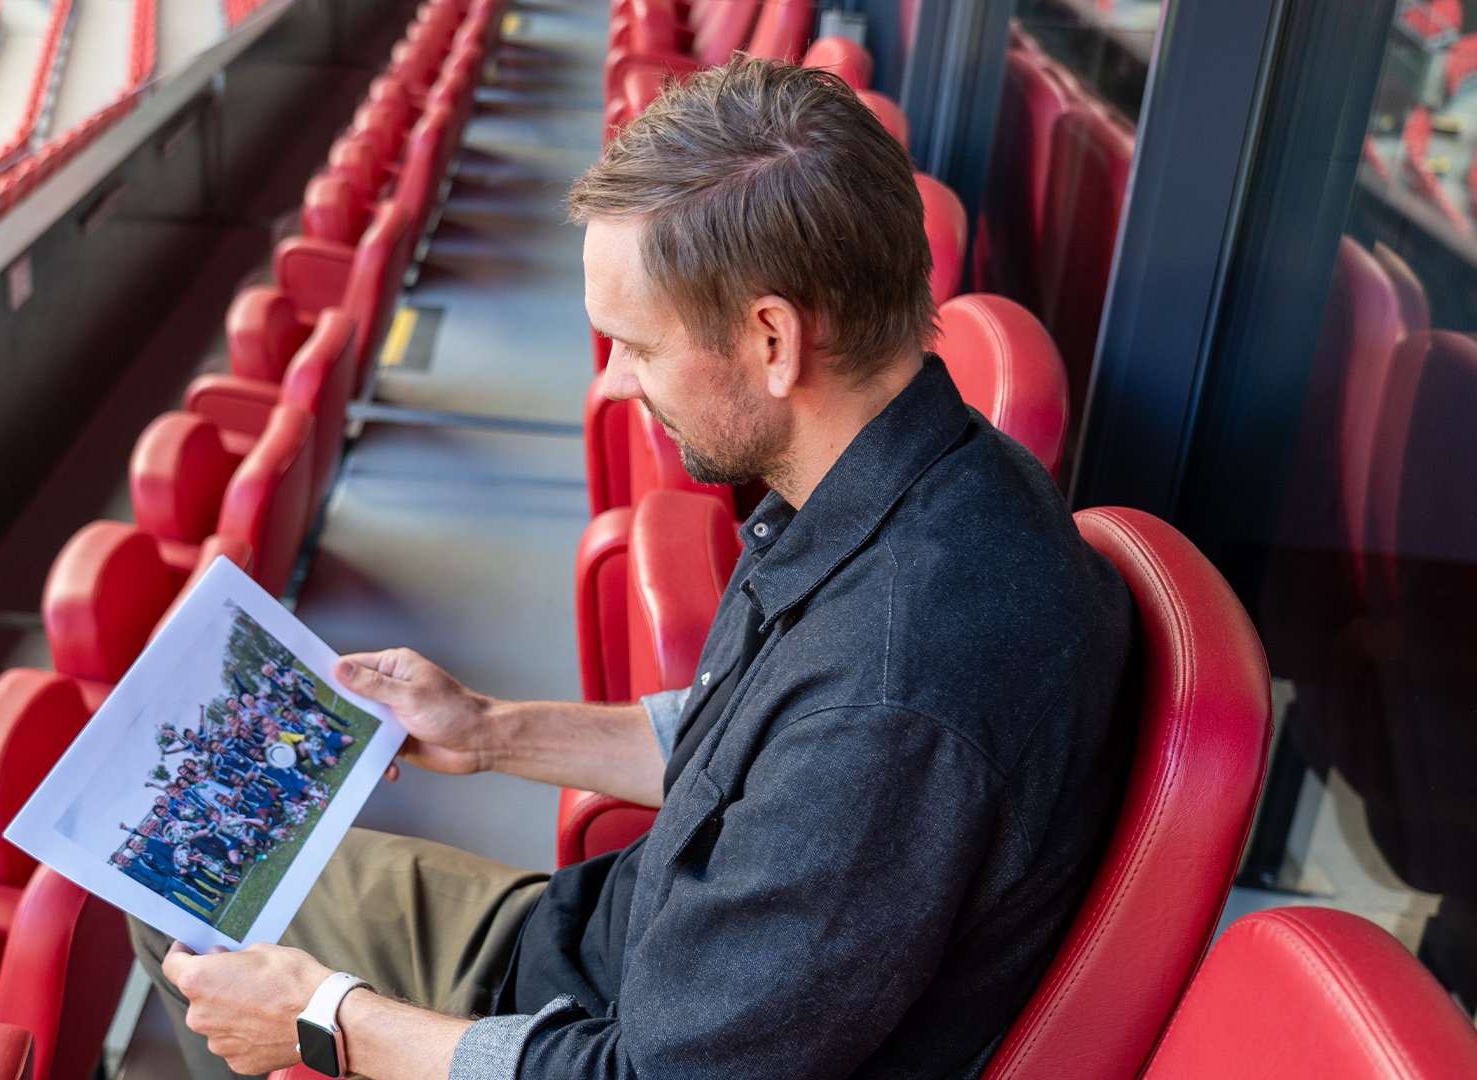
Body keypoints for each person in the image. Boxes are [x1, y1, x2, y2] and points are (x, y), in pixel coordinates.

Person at [130, 58, 1134, 1080]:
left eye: (637, 347)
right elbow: (750, 746)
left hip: (588, 1037)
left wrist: (324, 1020)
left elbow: (646, 1073)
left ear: (772, 340)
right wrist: (488, 731)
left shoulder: (888, 707)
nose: (614, 382)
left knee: (175, 909)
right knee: (189, 865)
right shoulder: (937, 473)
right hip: (599, 950)